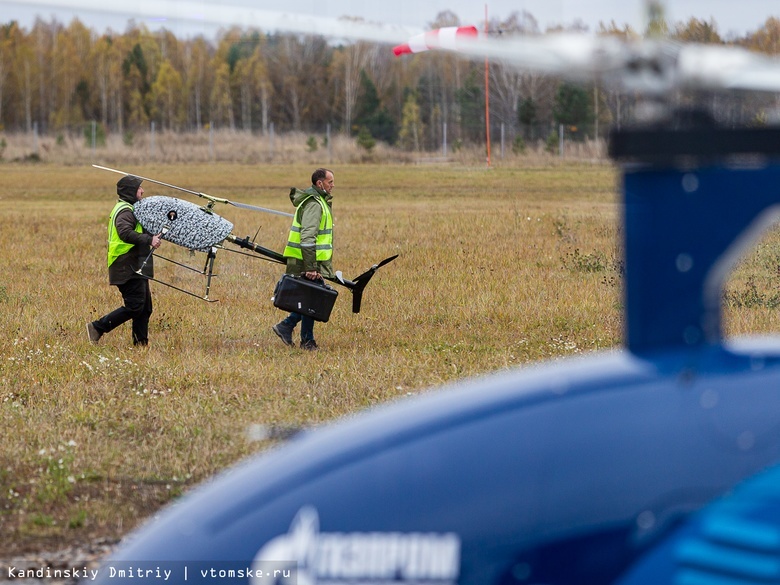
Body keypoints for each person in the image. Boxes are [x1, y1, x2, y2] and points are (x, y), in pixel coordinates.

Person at [86, 175, 162, 346]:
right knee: (135, 306)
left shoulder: (131, 209)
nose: (142, 191)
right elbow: (125, 232)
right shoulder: (125, 211)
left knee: (144, 308)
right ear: (130, 192)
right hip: (126, 265)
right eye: (139, 188)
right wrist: (149, 240)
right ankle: (97, 327)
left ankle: (140, 344)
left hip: (135, 264)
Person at [272, 168, 335, 350]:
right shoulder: (314, 204)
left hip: (309, 259)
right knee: (312, 297)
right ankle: (300, 335)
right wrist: (311, 266)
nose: (332, 186)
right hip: (305, 260)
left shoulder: (319, 202)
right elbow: (307, 236)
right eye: (330, 182)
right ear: (319, 183)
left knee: (311, 296)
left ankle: (300, 335)